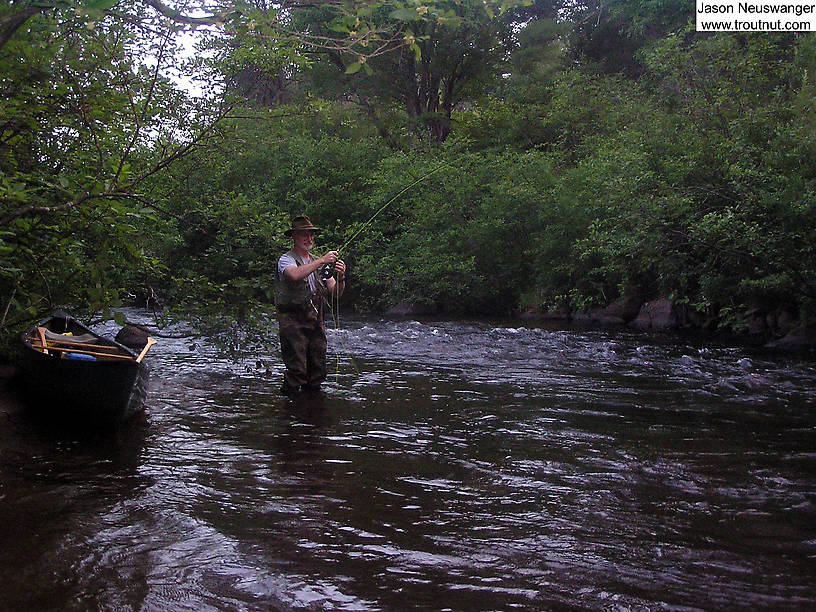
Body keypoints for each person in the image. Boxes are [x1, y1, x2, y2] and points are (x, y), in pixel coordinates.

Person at [275, 216, 346, 394]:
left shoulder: (317, 262)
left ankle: (311, 414)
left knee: (317, 372)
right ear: (294, 237)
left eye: (311, 235)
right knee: (297, 371)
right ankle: (289, 410)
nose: (309, 238)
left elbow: (335, 292)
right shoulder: (287, 259)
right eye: (304, 235)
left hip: (316, 324)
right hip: (293, 324)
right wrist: (322, 260)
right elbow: (294, 275)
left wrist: (341, 277)